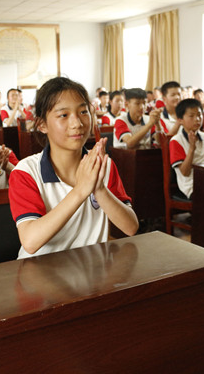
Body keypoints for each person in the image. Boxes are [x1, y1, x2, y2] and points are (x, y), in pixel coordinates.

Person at [9, 77, 138, 259]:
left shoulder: (102, 165)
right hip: (41, 274)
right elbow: (30, 241)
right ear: (42, 124)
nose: (77, 123)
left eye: (83, 112)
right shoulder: (26, 172)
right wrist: (80, 190)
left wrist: (99, 189)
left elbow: (130, 227)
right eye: (64, 115)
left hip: (91, 272)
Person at [170, 98, 204, 199]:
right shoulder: (176, 140)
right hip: (191, 185)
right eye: (191, 116)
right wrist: (192, 148)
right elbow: (185, 172)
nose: (197, 119)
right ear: (180, 120)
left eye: (199, 115)